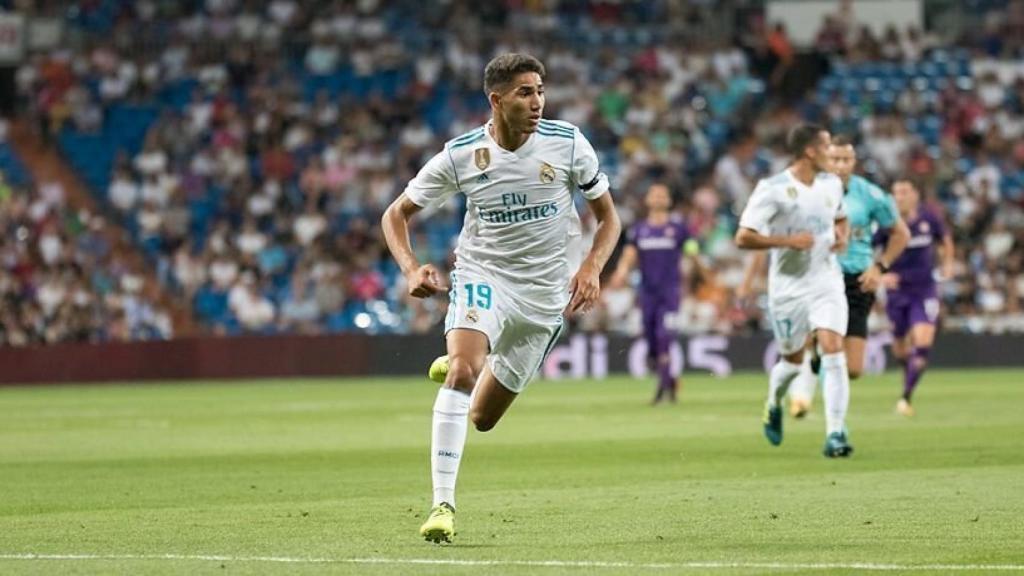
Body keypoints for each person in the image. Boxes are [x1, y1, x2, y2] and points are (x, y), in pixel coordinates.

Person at [381, 53, 621, 544]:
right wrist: (411, 269)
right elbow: (395, 214)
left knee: (482, 418)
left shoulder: (569, 143)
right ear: (497, 100)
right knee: (464, 375)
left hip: (544, 298)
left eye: (540, 91)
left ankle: (461, 358)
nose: (538, 102)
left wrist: (592, 267)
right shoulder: (461, 154)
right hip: (483, 275)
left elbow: (609, 218)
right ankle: (441, 504)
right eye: (525, 93)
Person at [735, 124, 854, 458]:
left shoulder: (832, 185)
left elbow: (840, 218)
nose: (834, 154)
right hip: (788, 290)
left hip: (826, 281)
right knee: (792, 361)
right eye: (827, 146)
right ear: (809, 151)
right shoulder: (772, 189)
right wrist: (786, 241)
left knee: (832, 348)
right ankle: (773, 402)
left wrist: (842, 235)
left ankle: (836, 432)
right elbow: (743, 236)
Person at [786, 136, 909, 417]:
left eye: (846, 159)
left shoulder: (872, 195)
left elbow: (901, 234)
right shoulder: (808, 190)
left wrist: (880, 267)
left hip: (857, 280)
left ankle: (815, 361)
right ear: (824, 159)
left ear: (854, 162)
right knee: (827, 343)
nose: (840, 165)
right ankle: (825, 416)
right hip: (820, 276)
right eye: (835, 159)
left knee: (853, 369)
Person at [609, 183, 699, 404]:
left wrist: (700, 271)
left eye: (662, 195)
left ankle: (663, 390)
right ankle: (669, 379)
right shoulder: (638, 230)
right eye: (655, 194)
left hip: (670, 294)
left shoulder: (678, 229)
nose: (658, 198)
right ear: (647, 200)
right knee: (651, 343)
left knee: (663, 337)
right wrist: (621, 272)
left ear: (668, 201)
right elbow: (629, 256)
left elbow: (692, 254)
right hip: (647, 294)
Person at [876, 179, 953, 416]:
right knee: (900, 347)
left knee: (922, 342)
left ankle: (906, 397)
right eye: (896, 192)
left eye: (905, 191)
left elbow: (946, 241)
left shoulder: (929, 218)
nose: (900, 196)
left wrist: (948, 264)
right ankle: (906, 374)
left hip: (924, 289)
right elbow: (866, 250)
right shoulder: (885, 222)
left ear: (915, 194)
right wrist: (880, 275)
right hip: (897, 292)